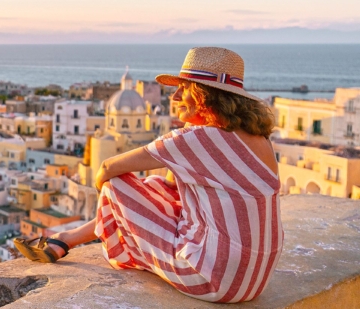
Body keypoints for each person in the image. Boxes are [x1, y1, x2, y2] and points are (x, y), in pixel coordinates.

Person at [15, 47, 282, 303]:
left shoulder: (199, 138)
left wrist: (109, 198)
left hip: (211, 279)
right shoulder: (261, 139)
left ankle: (66, 240)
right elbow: (170, 188)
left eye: (184, 89)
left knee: (116, 184)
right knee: (156, 185)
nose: (174, 97)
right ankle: (66, 239)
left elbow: (108, 169)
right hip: (254, 280)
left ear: (206, 96)